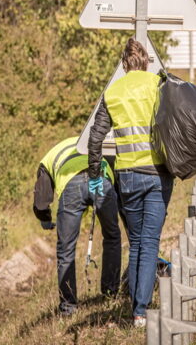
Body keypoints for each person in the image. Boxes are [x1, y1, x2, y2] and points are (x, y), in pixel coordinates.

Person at [88, 37, 173, 328]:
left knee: (136, 243)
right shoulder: (158, 85)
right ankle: (140, 311)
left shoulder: (112, 92)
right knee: (149, 242)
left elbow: (95, 139)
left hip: (127, 177)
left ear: (124, 64)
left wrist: (94, 176)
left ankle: (135, 308)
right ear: (146, 61)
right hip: (158, 173)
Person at [32, 135, 121, 315]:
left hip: (71, 186)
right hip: (101, 180)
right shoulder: (100, 145)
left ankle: (68, 307)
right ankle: (110, 293)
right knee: (112, 237)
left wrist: (45, 219)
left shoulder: (50, 156)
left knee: (65, 250)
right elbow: (118, 177)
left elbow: (41, 198)